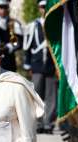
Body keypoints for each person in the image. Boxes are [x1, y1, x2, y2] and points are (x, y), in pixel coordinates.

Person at [23, 0, 57, 134]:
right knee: (36, 95)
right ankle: (38, 122)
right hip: (37, 64)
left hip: (50, 65)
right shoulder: (33, 25)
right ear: (39, 8)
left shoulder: (54, 23)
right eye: (42, 7)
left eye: (46, 7)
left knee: (51, 96)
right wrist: (27, 64)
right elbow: (28, 46)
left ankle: (48, 123)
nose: (44, 9)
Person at [0, 0, 23, 72]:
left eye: (5, 7)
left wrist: (8, 47)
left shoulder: (14, 24)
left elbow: (19, 42)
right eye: (0, 7)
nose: (3, 10)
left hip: (9, 62)